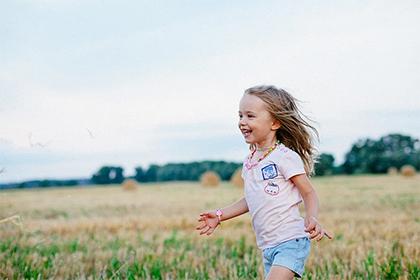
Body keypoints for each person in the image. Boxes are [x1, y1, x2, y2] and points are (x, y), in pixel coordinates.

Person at [196, 85, 333, 279]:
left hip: (290, 241)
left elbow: (308, 193)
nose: (242, 122)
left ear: (275, 123)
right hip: (267, 246)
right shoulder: (250, 161)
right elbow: (250, 199)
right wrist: (220, 215)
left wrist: (312, 217)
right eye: (240, 116)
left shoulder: (285, 157)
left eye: (250, 116)